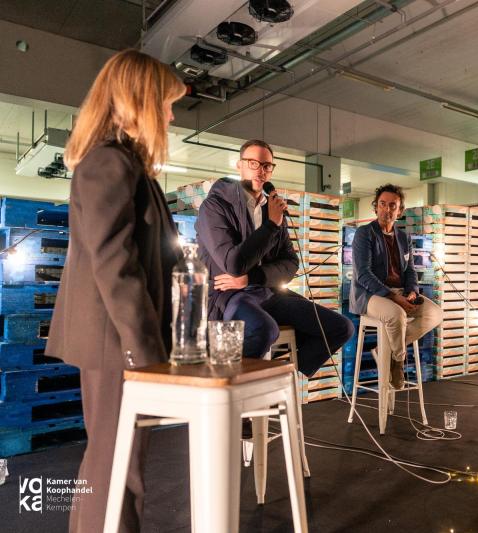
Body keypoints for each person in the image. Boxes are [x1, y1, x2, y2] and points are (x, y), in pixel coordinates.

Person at [46, 49, 186, 532]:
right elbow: (114, 264)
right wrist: (145, 352)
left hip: (118, 341)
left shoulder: (126, 164)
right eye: (167, 104)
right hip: (117, 343)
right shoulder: (109, 161)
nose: (171, 116)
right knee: (117, 471)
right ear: (140, 100)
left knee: (110, 465)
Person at [196, 139, 353, 376]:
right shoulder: (216, 207)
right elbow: (233, 264)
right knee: (264, 329)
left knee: (341, 327)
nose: (260, 170)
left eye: (267, 166)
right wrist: (271, 225)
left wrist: (251, 278)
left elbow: (290, 264)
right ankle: (235, 388)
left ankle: (283, 375)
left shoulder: (272, 209)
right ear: (240, 165)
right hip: (229, 296)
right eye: (253, 163)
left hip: (266, 291)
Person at [350, 184, 443, 389]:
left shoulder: (403, 237)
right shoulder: (364, 234)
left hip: (400, 292)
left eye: (392, 205)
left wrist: (412, 292)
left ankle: (385, 350)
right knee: (396, 314)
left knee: (435, 314)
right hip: (370, 295)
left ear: (399, 211)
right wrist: (393, 297)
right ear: (376, 207)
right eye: (382, 204)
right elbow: (363, 274)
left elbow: (410, 270)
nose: (387, 209)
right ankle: (398, 360)